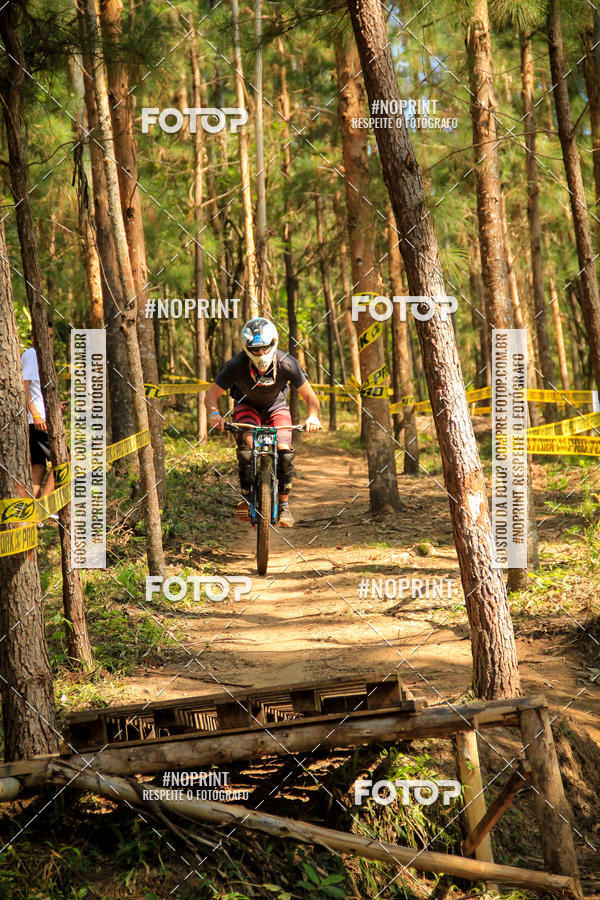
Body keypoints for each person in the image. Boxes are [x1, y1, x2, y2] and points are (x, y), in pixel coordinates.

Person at [205, 317, 321, 527]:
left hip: (276, 408)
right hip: (246, 407)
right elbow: (211, 395)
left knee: (285, 451)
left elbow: (311, 398)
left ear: (273, 343)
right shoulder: (235, 366)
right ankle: (248, 498)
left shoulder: (287, 363)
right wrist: (214, 413)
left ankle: (284, 506)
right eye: (255, 350)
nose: (261, 354)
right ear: (247, 348)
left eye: (265, 348)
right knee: (247, 449)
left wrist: (313, 416)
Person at [21, 321, 56, 501]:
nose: (48, 340)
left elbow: (36, 390)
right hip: (37, 421)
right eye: (45, 336)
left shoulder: (42, 357)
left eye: (51, 337)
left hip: (40, 418)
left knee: (39, 466)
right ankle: (44, 506)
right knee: (66, 460)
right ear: (34, 338)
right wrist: (35, 413)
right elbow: (24, 386)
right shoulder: (31, 354)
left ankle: (29, 515)